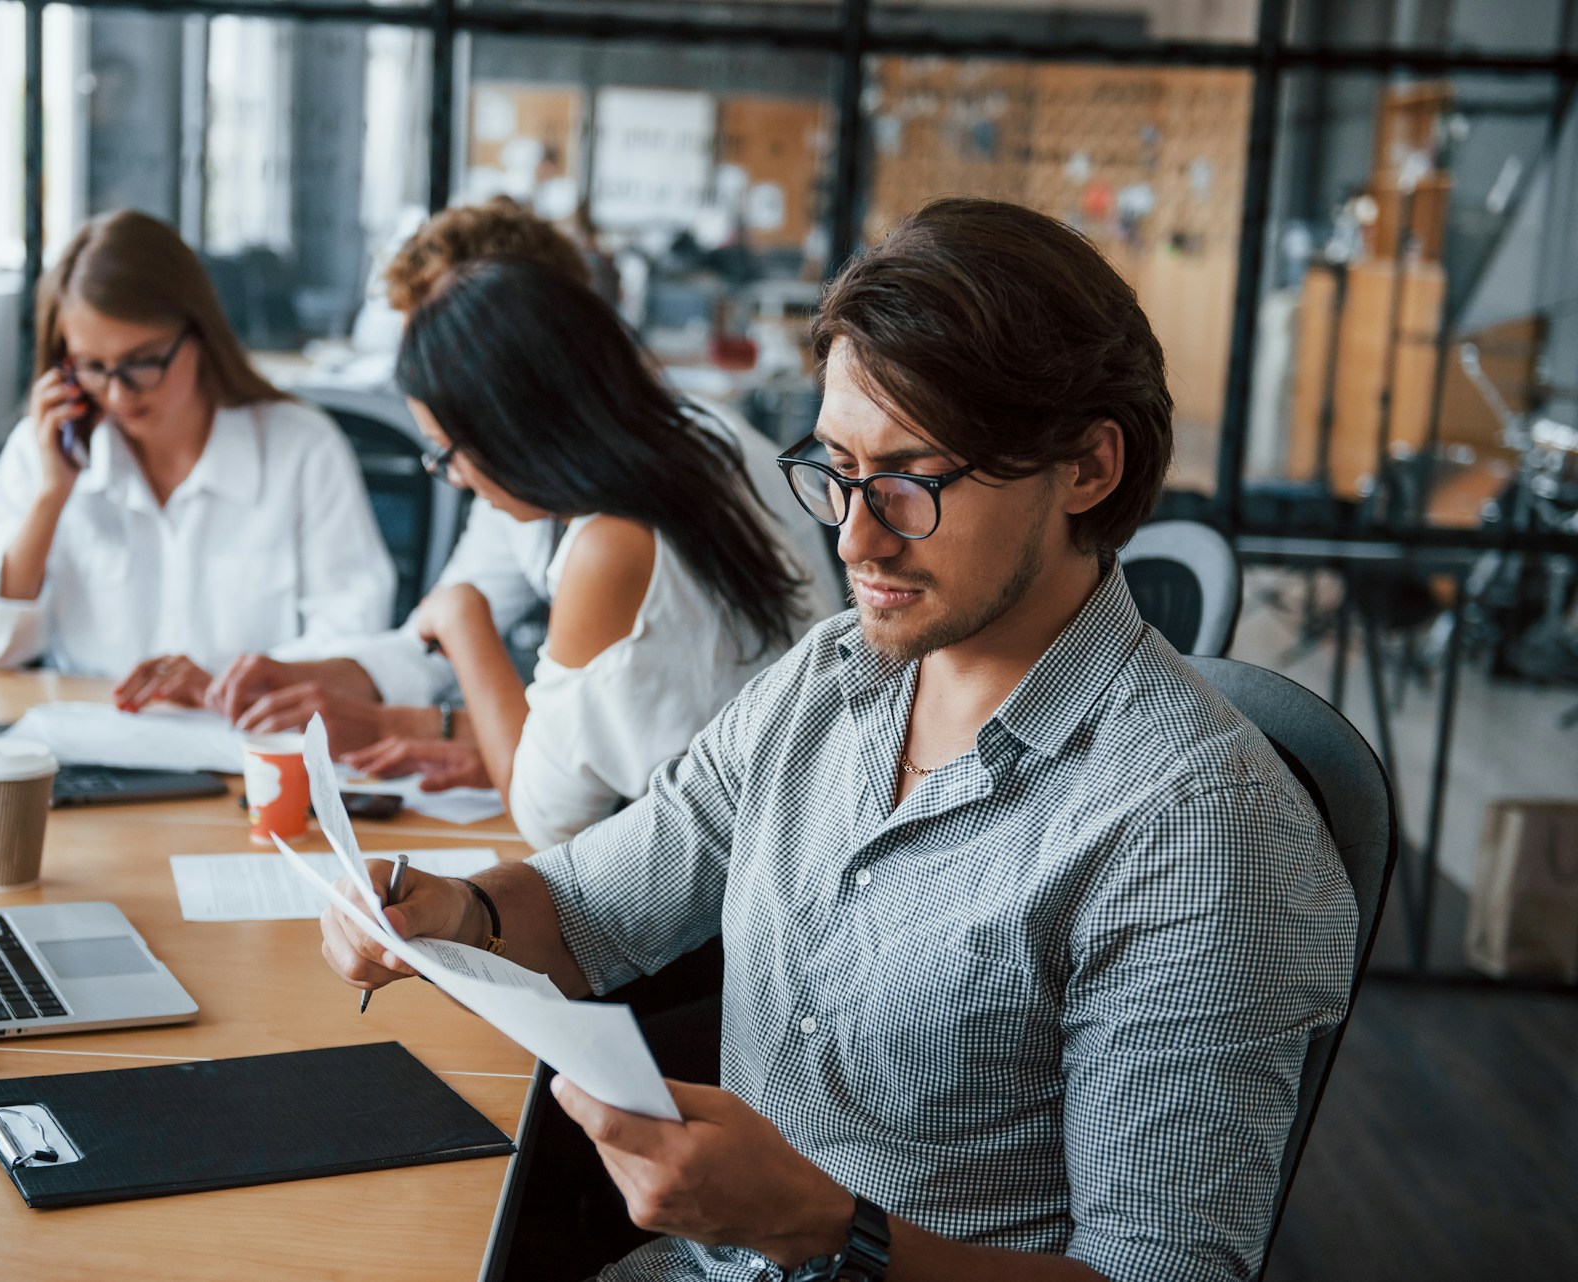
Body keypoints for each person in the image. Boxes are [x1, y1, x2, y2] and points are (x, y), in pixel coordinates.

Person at [320, 199, 1358, 1282]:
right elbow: (589, 906)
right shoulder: (832, 678)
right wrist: (458, 909)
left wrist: (825, 1229)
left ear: (1088, 467)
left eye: (913, 480)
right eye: (838, 471)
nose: (857, 535)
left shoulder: (1197, 827)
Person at [200, 198, 843, 752]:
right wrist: (285, 676)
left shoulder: (691, 476)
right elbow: (439, 634)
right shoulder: (530, 475)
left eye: (463, 346)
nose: (435, 383)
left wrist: (435, 727)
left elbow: (583, 779)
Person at [345, 255, 817, 849]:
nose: (456, 479)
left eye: (447, 454)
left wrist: (465, 618)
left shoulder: (609, 546)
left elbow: (548, 821)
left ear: (511, 428)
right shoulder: (699, 457)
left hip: (707, 914)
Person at [0, 210, 393, 701]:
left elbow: (353, 636)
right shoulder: (46, 449)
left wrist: (222, 688)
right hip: (93, 741)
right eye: (92, 367)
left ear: (198, 334)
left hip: (247, 745)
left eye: (142, 361)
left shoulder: (303, 448)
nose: (118, 394)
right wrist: (51, 497)